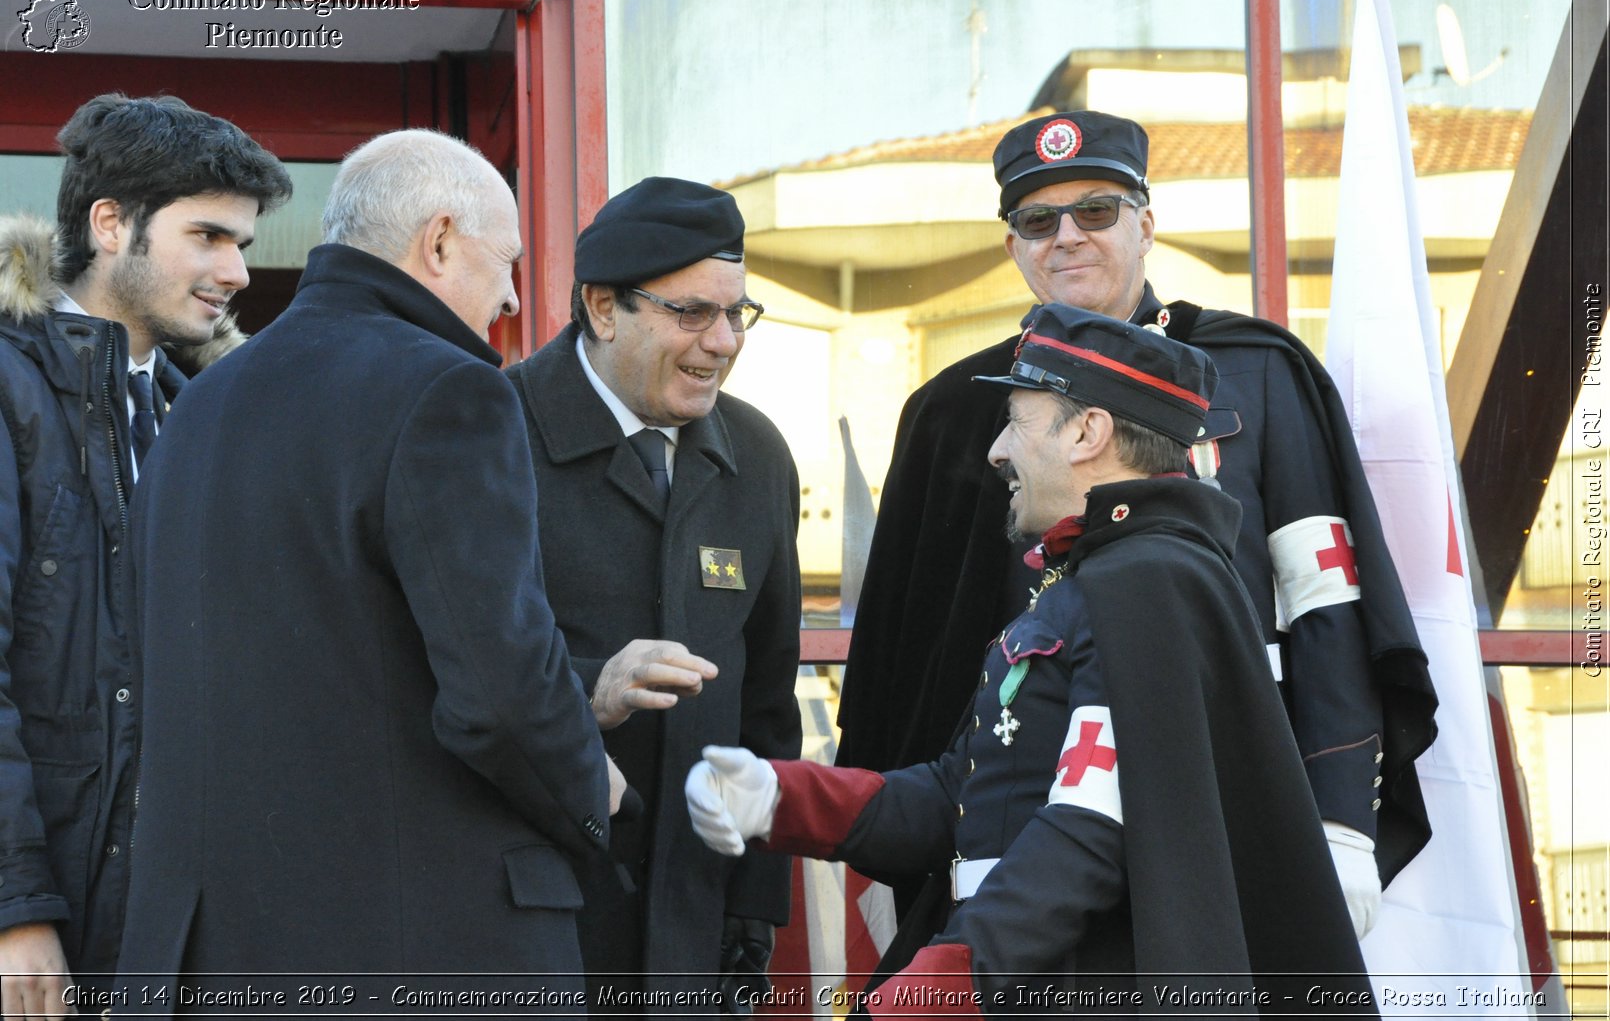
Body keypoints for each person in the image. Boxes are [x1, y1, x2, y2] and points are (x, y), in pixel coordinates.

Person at [834, 110, 1438, 936]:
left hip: (1225, 802)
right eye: (1038, 221)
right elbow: (902, 648)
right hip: (1013, 823)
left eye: (1096, 211)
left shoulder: (1256, 373)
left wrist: (1339, 820)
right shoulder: (950, 409)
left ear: (1145, 224)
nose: (1068, 237)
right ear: (1013, 246)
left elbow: (1323, 601)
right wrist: (891, 859)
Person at [687, 304, 1378, 1015]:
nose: (995, 450)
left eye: (1015, 420)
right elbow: (960, 790)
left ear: (1088, 432)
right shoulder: (1098, 577)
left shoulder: (1147, 580)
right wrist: (781, 797)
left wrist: (932, 992)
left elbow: (1087, 831)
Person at [114, 129, 664, 1008]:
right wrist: (601, 800)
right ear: (439, 241)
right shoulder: (449, 391)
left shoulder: (199, 404)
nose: (514, 294)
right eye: (507, 261)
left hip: (202, 960)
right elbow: (499, 693)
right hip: (411, 953)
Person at [0, 93, 290, 1016]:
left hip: (155, 932)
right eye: (208, 235)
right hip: (40, 933)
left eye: (241, 242)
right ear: (111, 223)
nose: (237, 270)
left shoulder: (191, 411)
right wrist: (15, 907)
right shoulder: (10, 388)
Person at [504, 177, 802, 1014]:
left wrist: (752, 909)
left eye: (739, 312)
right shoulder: (489, 431)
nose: (726, 341)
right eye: (693, 314)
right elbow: (433, 662)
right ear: (603, 307)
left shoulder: (758, 453)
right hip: (534, 921)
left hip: (696, 928)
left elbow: (768, 707)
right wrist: (587, 686)